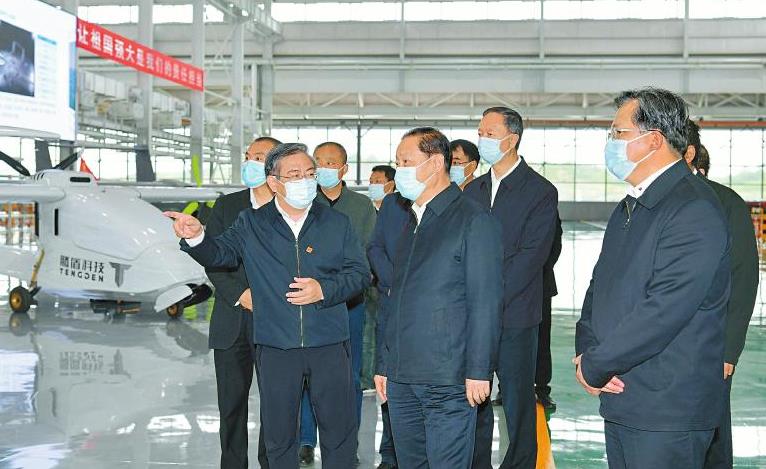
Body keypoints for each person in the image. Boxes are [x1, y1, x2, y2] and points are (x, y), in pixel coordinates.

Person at [165, 143, 370, 469]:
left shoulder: (336, 223)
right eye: (294, 175)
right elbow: (220, 254)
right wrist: (196, 237)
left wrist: (324, 289)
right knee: (279, 437)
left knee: (339, 434)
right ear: (274, 182)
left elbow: (359, 274)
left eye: (310, 174)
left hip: (329, 344)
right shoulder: (252, 223)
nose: (305, 181)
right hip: (276, 346)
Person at [575, 88, 730, 469]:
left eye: (619, 133)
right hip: (623, 396)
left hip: (666, 408)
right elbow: (599, 286)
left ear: (654, 140)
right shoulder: (631, 205)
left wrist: (596, 365)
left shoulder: (692, 208)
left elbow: (664, 310)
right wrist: (585, 348)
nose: (611, 143)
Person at [374, 127, 503, 469]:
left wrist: (479, 370)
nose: (399, 170)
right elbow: (394, 299)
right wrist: (384, 364)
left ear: (433, 164)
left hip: (448, 379)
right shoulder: (413, 221)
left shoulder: (473, 220)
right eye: (398, 162)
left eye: (405, 162)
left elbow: (486, 302)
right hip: (402, 377)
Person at [463, 107, 558, 469]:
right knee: (475, 394)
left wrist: (489, 297)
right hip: (474, 316)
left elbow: (532, 257)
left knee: (518, 399)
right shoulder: (473, 190)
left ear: (511, 139)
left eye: (489, 133)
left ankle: (520, 463)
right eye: (480, 132)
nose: (482, 139)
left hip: (515, 315)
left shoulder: (540, 191)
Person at [684, 120, 759, 469]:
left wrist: (730, 348)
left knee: (712, 429)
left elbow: (744, 280)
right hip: (662, 342)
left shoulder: (726, 203)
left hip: (711, 344)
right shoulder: (646, 201)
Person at [298, 141, 377, 465]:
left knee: (349, 377)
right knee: (305, 374)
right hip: (309, 303)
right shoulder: (303, 202)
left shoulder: (361, 207)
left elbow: (368, 255)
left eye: (330, 162)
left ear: (344, 169)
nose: (323, 167)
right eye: (318, 161)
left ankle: (346, 442)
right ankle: (305, 439)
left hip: (350, 304)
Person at [205, 136, 280, 469]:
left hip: (277, 320)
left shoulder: (291, 205)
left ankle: (272, 462)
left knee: (277, 403)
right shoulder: (227, 206)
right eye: (248, 156)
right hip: (232, 319)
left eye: (259, 156)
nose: (250, 162)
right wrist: (241, 294)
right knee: (231, 405)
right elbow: (212, 258)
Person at [368, 168, 411, 469]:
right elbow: (375, 246)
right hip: (391, 304)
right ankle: (390, 453)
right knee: (388, 383)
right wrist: (392, 281)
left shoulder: (452, 209)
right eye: (400, 162)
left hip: (428, 312)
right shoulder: (392, 205)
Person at [536, 214, 562, 412]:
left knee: (542, 339)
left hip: (541, 283)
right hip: (509, 285)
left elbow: (555, 244)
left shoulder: (546, 203)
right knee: (508, 339)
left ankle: (542, 389)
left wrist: (538, 270)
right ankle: (506, 388)